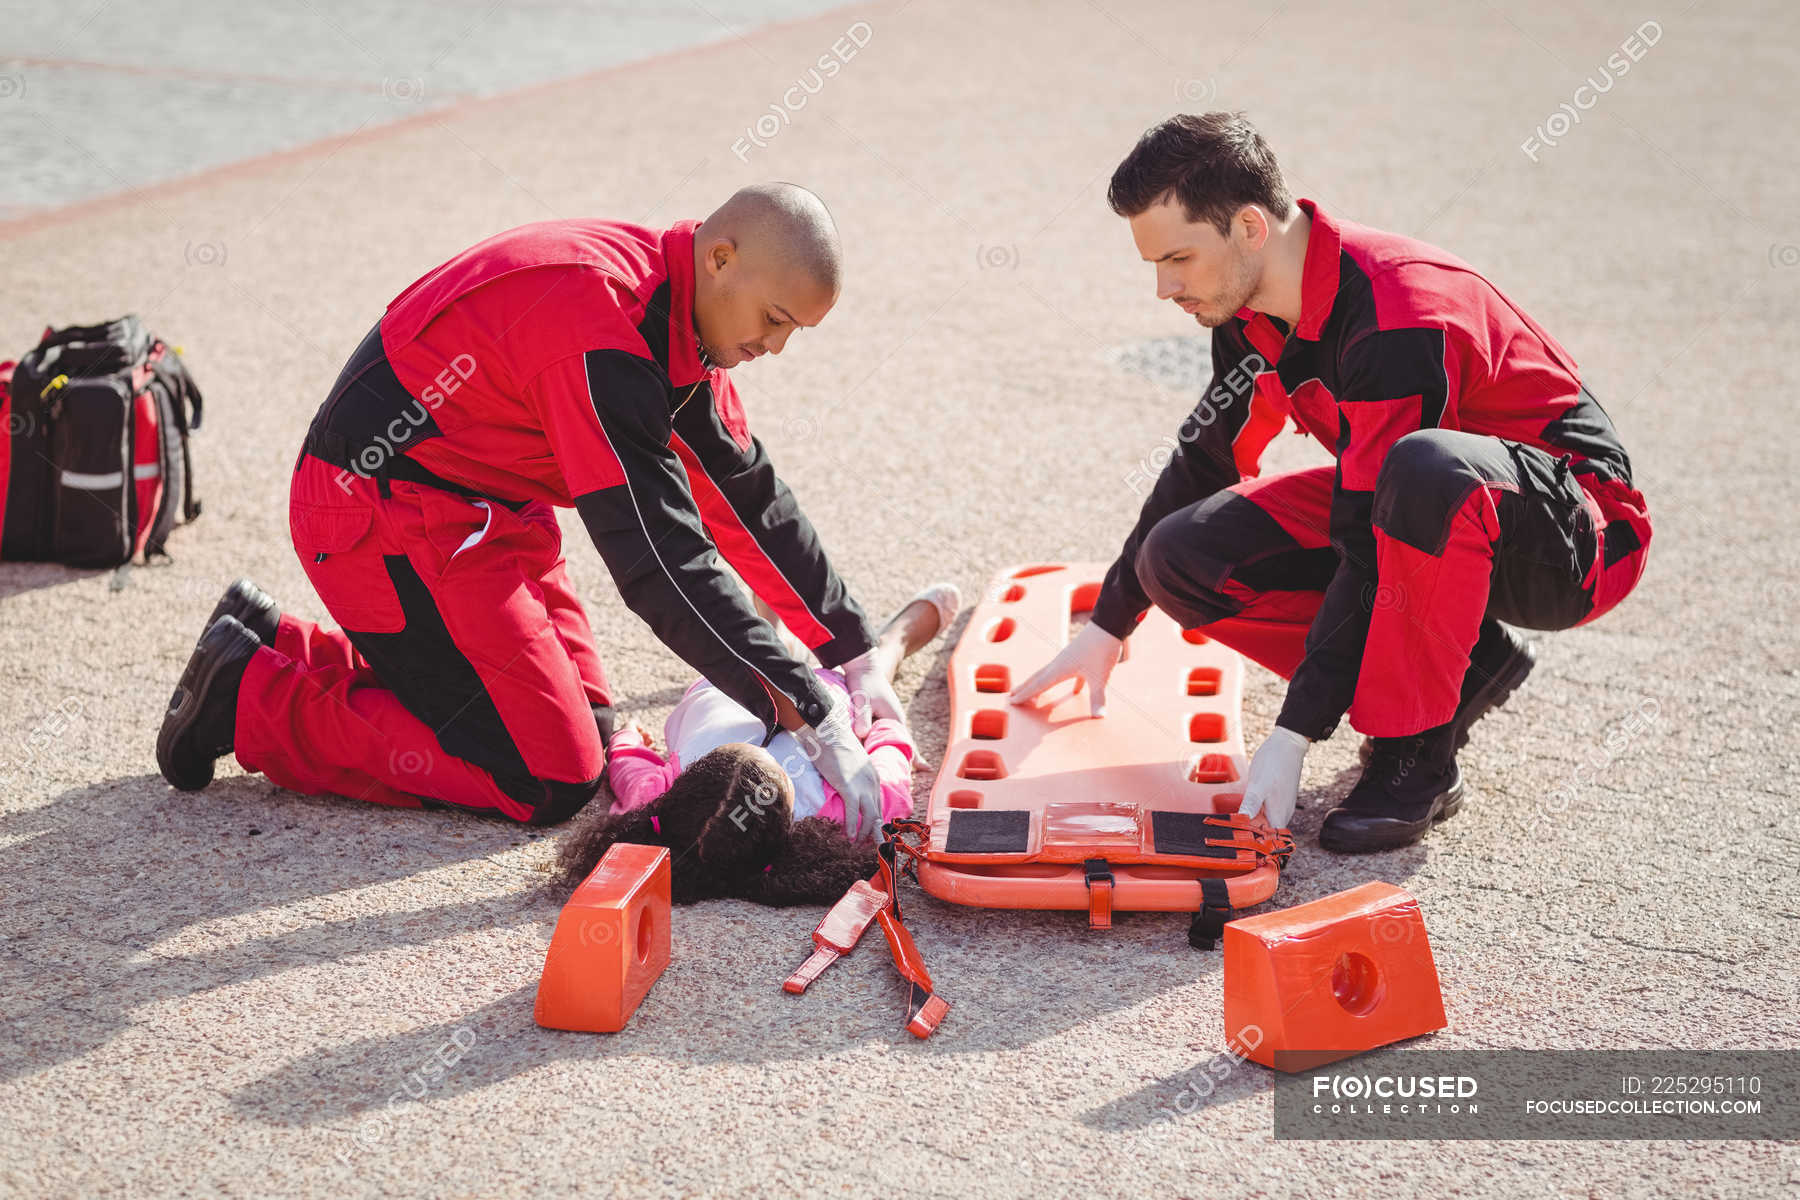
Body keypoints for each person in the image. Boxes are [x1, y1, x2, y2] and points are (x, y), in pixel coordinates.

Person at [158, 184, 901, 831]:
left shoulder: (676, 311)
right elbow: (661, 563)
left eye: (792, 332)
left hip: (483, 511)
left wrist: (854, 657)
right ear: (721, 259)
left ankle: (273, 637)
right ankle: (249, 691)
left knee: (592, 729)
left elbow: (746, 495)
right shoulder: (602, 332)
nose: (774, 347)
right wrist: (812, 712)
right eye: (774, 319)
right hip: (376, 514)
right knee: (548, 777)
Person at [1011, 113, 1652, 853]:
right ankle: (1469, 663)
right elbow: (1205, 460)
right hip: (1418, 505)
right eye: (1155, 264)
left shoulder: (1397, 315)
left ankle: (1417, 752)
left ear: (1250, 227)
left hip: (1577, 537)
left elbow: (1368, 537)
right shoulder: (1249, 313)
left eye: (1179, 257)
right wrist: (1108, 624)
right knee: (1177, 559)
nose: (1164, 287)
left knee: (1423, 469)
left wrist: (1294, 730)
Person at [551, 584, 959, 904]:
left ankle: (771, 639)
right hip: (826, 694)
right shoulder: (850, 814)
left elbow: (629, 769)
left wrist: (626, 739)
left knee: (768, 653)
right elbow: (887, 758)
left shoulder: (653, 805)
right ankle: (891, 646)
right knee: (874, 678)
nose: (770, 738)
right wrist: (883, 721)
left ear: (682, 788)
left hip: (730, 680)